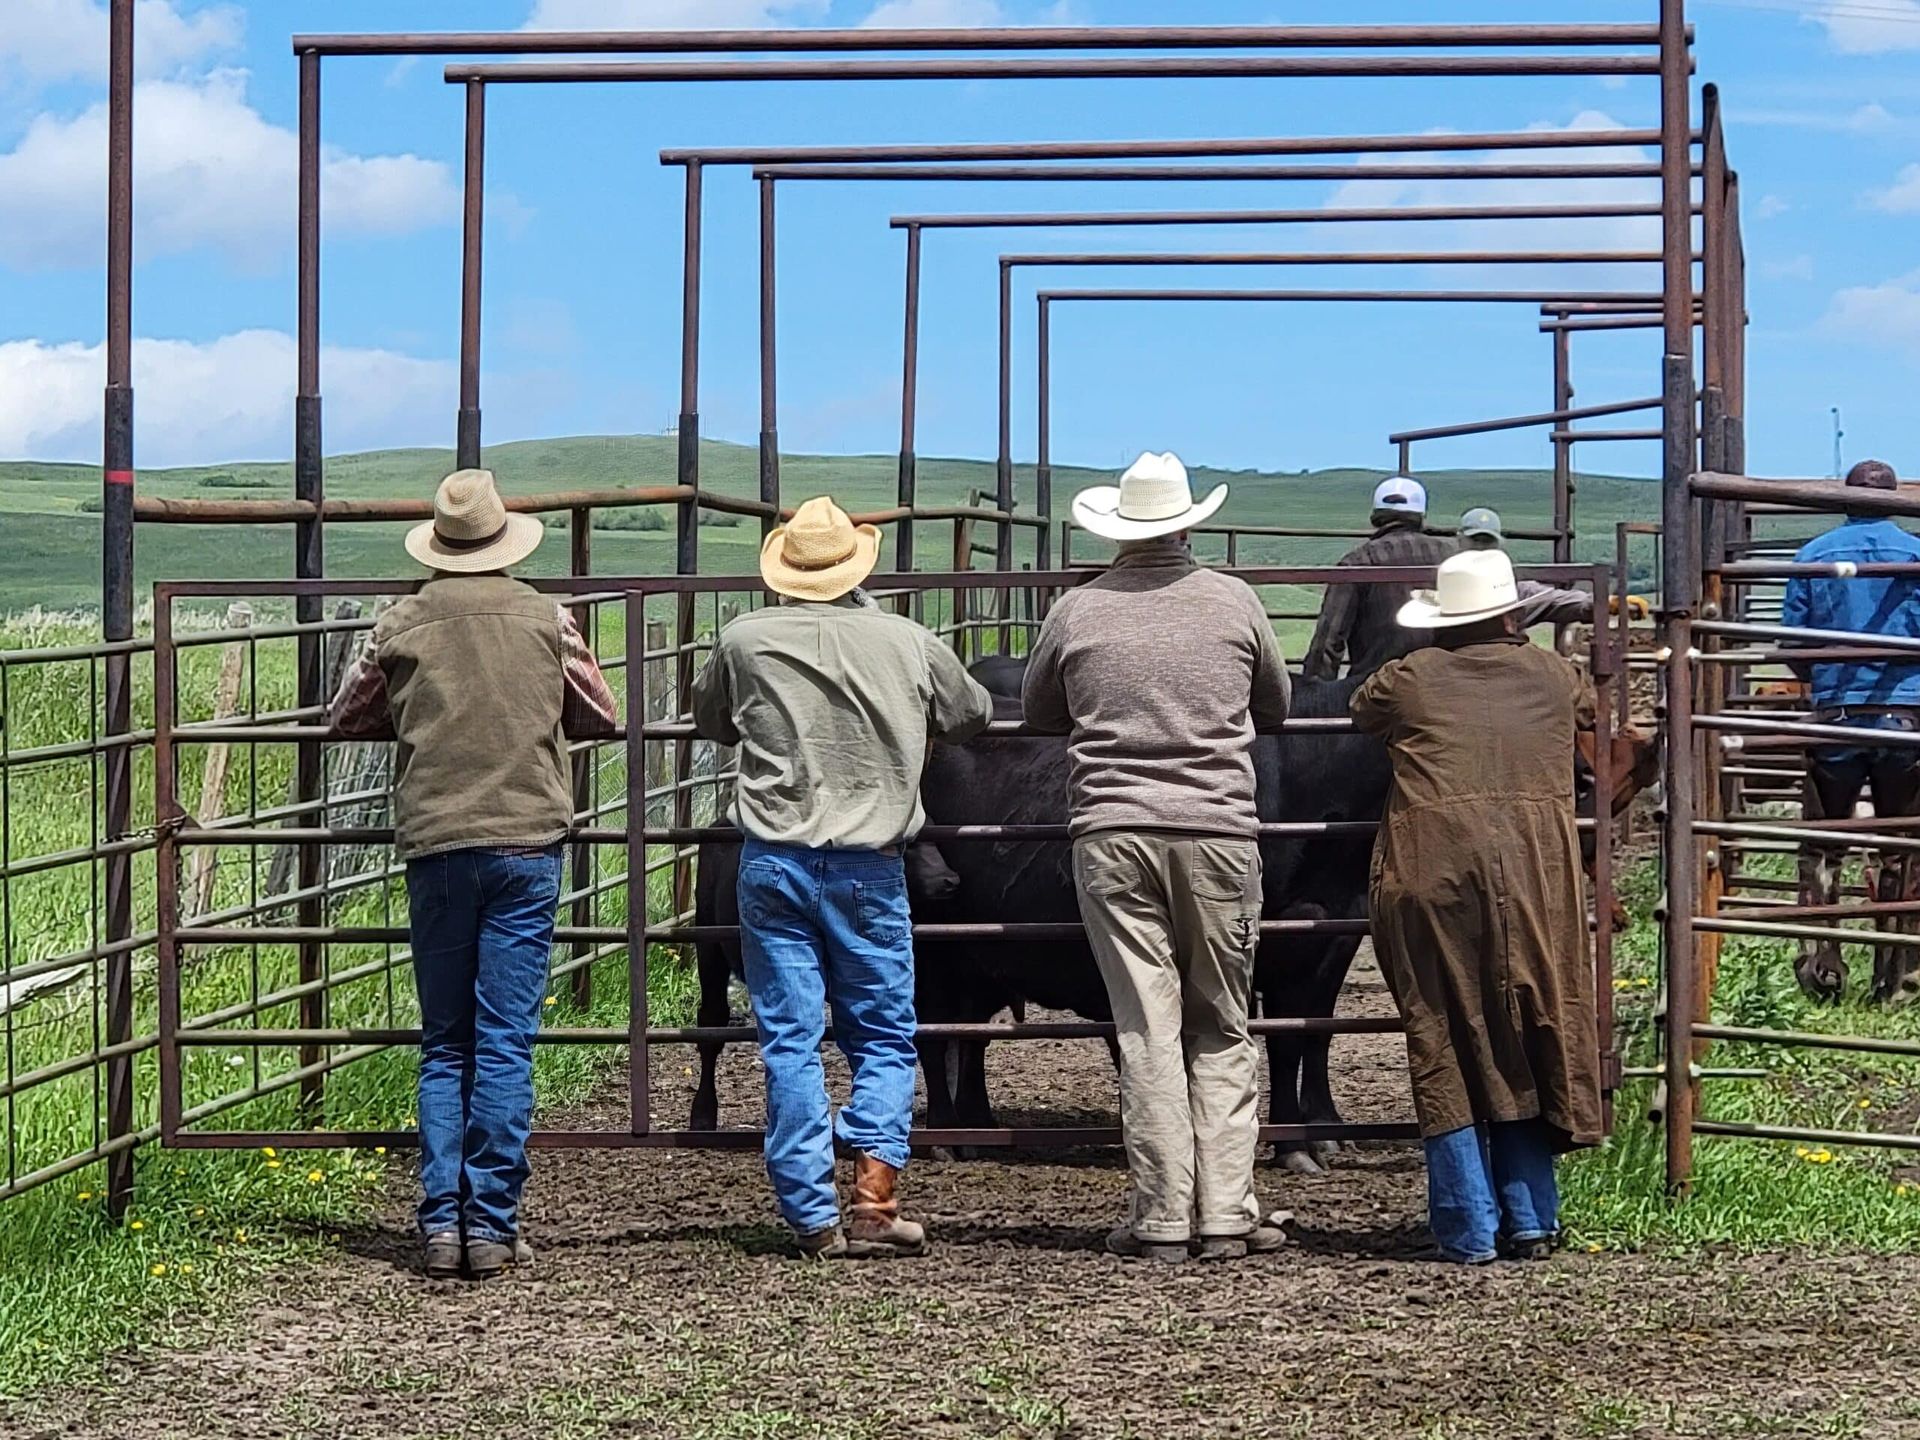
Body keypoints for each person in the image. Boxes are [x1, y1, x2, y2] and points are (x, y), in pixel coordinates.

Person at [332, 468, 618, 1280]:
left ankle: (440, 1226)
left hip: (437, 842)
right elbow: (600, 714)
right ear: (501, 539)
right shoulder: (546, 618)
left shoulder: (400, 622)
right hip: (527, 840)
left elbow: (348, 717)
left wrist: (427, 705)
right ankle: (491, 1224)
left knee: (444, 1042)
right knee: (503, 1042)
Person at [690, 496, 993, 1260]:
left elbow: (711, 721)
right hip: (869, 863)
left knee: (789, 1037)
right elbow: (973, 713)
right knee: (885, 1034)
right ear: (858, 567)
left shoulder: (745, 639)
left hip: (773, 859)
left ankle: (807, 1211)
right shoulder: (908, 641)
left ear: (784, 570)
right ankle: (873, 1198)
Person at [1023, 452, 1293, 1264]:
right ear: (1186, 523)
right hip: (1217, 831)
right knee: (1223, 1023)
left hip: (1111, 831)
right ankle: (1228, 1212)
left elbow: (1040, 709)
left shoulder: (1077, 610)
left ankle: (1163, 1214)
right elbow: (1275, 704)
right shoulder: (1234, 602)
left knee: (1147, 1027)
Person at [1351, 548, 1603, 1265]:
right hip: (1535, 874)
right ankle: (1531, 1217)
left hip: (1432, 872)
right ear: (1510, 613)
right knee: (1528, 1025)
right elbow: (1590, 702)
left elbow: (1361, 706)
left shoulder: (1410, 680)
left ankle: (1467, 1228)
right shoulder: (1556, 678)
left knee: (1443, 1032)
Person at [1781, 459, 1920, 1003]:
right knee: (1902, 845)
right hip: (1904, 717)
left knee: (1823, 843)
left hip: (1836, 713)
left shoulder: (1813, 556)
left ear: (1846, 498)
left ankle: (1821, 964)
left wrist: (1828, 678)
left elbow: (1794, 645)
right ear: (1895, 500)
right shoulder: (1914, 556)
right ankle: (1897, 980)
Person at [1302, 476, 1456, 681]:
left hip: (1376, 689)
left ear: (1376, 516)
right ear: (1420, 515)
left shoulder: (1358, 561)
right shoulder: (1453, 558)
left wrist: (1315, 693)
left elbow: (1329, 641)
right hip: (1443, 683)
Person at [1456, 507, 1595, 630]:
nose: (1481, 547)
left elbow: (1557, 600)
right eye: (1475, 540)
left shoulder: (1518, 591)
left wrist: (1602, 603)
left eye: (1488, 541)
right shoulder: (1443, 584)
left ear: (1498, 544)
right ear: (1460, 539)